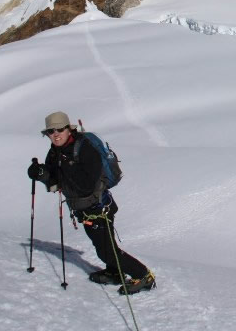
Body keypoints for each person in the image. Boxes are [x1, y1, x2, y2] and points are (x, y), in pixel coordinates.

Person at [28, 111, 155, 294]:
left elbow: (86, 184)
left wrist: (60, 173)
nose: (55, 134)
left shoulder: (85, 148)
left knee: (106, 251)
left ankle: (144, 276)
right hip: (84, 208)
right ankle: (114, 272)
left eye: (59, 129)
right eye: (50, 131)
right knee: (103, 246)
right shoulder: (55, 152)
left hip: (99, 207)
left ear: (68, 129)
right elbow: (54, 179)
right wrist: (41, 174)